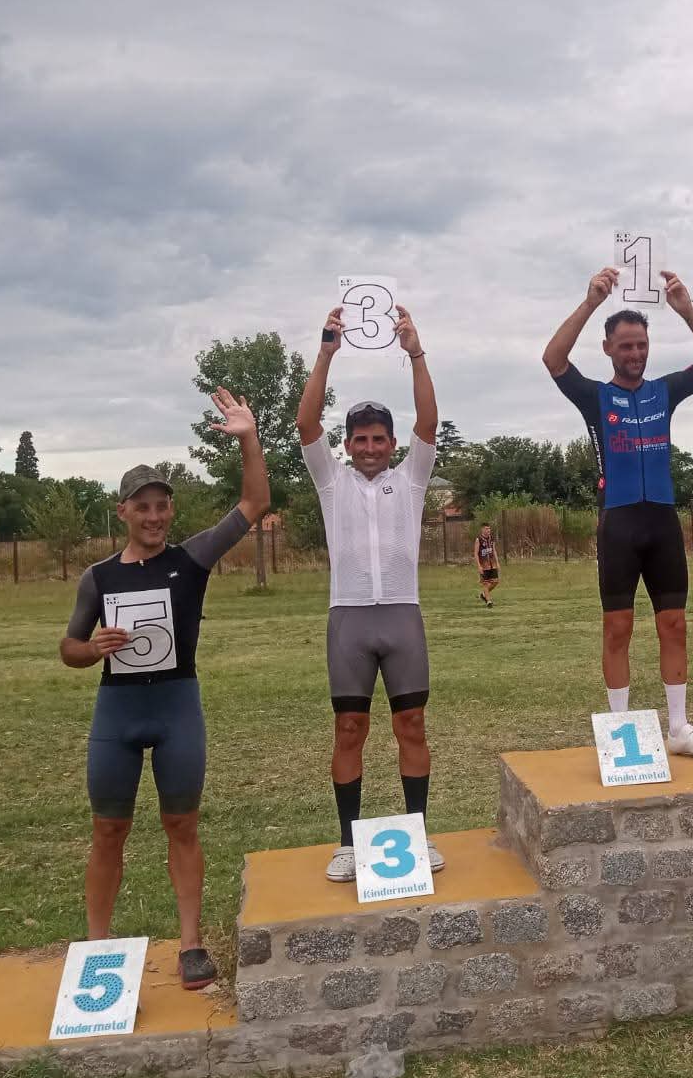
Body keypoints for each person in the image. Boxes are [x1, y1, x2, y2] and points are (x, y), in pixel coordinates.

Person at [60, 388, 269, 990]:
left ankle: (191, 944)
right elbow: (69, 648)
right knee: (109, 830)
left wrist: (249, 438)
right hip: (118, 713)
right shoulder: (98, 577)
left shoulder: (191, 559)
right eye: (142, 507)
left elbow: (255, 502)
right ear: (122, 511)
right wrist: (91, 649)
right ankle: (96, 950)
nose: (154, 517)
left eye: (162, 506)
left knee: (182, 825)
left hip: (177, 708)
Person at [542, 266, 693, 757]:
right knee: (618, 627)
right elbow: (553, 358)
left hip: (662, 522)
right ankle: (621, 731)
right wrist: (590, 302)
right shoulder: (595, 397)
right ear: (608, 348)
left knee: (674, 624)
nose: (635, 353)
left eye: (641, 345)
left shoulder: (663, 391)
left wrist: (685, 308)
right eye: (625, 345)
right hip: (619, 524)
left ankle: (679, 728)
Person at [296, 302, 443, 883]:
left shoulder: (412, 479)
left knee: (412, 726)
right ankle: (346, 842)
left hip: (402, 618)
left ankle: (419, 834)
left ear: (391, 442)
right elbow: (306, 425)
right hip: (350, 621)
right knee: (349, 730)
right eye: (360, 439)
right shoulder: (331, 481)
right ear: (348, 443)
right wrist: (326, 352)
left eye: (379, 439)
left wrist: (415, 353)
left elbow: (428, 422)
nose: (370, 447)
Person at [475, 523, 500, 607]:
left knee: (495, 581)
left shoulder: (491, 538)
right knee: (485, 583)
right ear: (482, 530)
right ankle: (489, 601)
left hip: (492, 564)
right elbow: (475, 553)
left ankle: (483, 594)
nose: (488, 530)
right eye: (486, 529)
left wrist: (497, 562)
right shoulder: (478, 540)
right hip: (484, 565)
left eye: (489, 528)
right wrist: (479, 566)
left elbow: (494, 550)